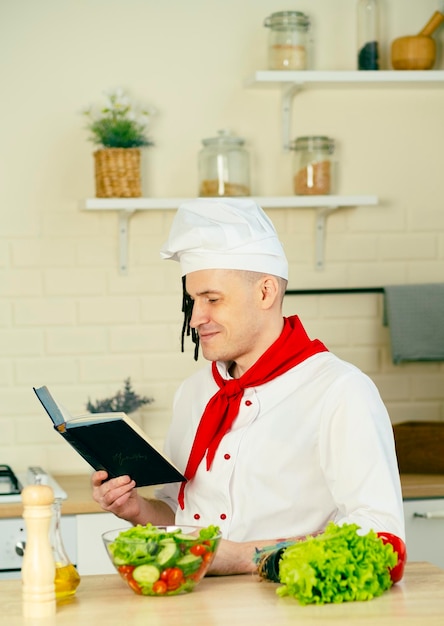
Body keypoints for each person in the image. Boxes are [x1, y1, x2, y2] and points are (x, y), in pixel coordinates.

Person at [91, 198, 405, 576]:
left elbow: (381, 537)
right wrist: (137, 510)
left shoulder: (340, 392)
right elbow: (183, 518)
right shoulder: (193, 394)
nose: (195, 318)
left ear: (265, 292)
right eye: (193, 301)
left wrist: (242, 557)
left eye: (212, 299)